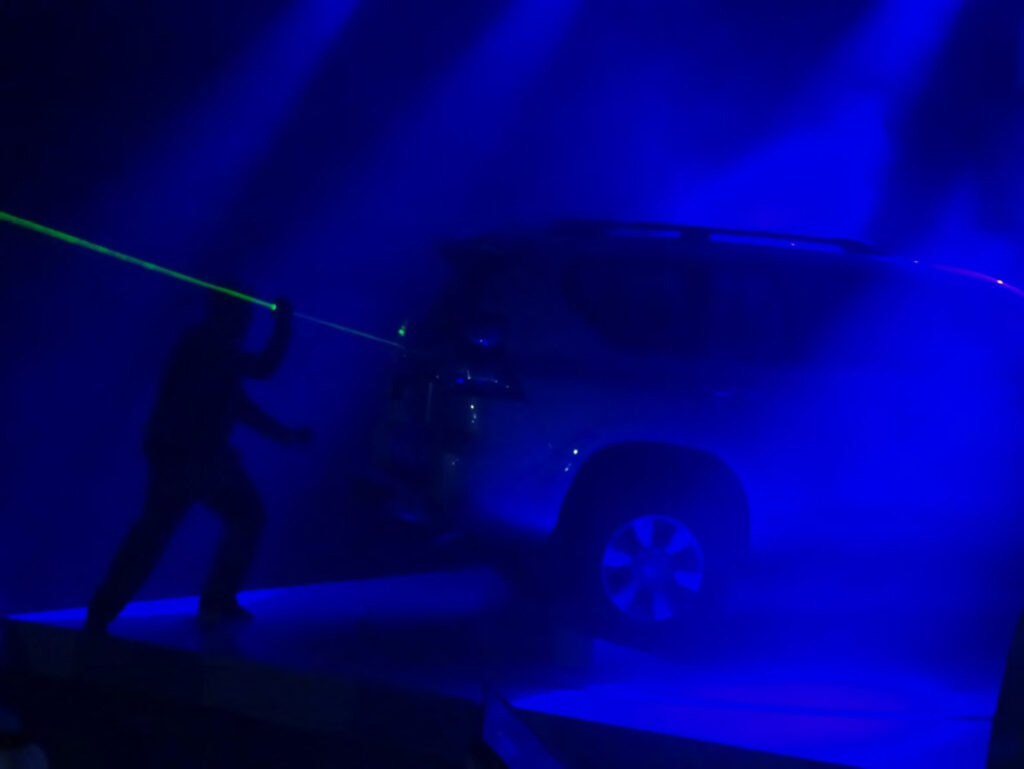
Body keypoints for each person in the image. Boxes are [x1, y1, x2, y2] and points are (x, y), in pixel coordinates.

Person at [85, 290, 311, 632]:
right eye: (245, 313)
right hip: (187, 458)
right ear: (229, 313)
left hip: (194, 457)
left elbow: (239, 406)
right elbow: (262, 369)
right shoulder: (206, 344)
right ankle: (107, 612)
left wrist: (286, 434)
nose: (249, 321)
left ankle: (111, 612)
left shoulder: (208, 346)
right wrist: (282, 325)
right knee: (160, 534)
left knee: (172, 530)